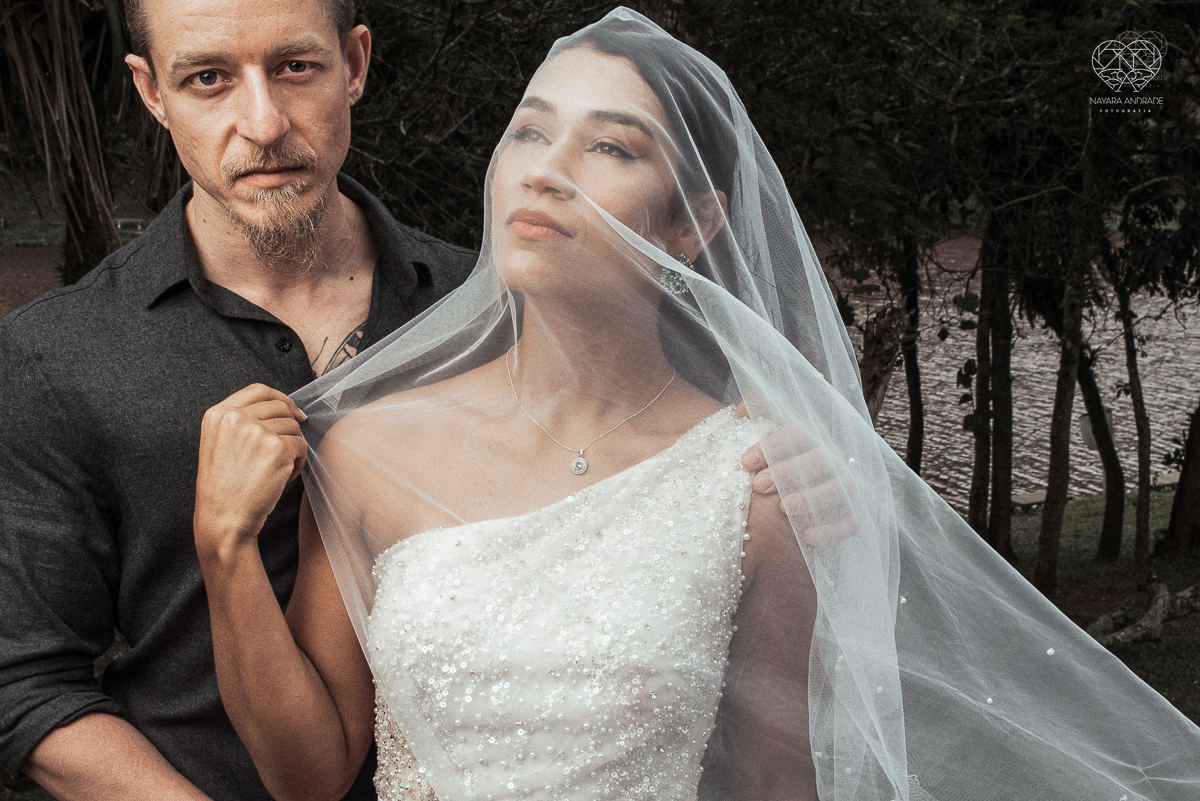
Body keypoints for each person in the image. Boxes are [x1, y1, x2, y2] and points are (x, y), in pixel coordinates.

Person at [195, 8, 1200, 801]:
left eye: (613, 148)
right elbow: (311, 775)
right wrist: (225, 552)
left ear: (695, 225)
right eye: (530, 131)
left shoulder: (762, 482)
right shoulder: (368, 449)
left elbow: (774, 783)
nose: (545, 170)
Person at [0, 0, 478, 798]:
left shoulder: (486, 311)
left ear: (354, 64)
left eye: (294, 67)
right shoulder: (58, 356)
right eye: (209, 78)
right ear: (152, 93)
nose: (262, 123)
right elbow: (24, 679)